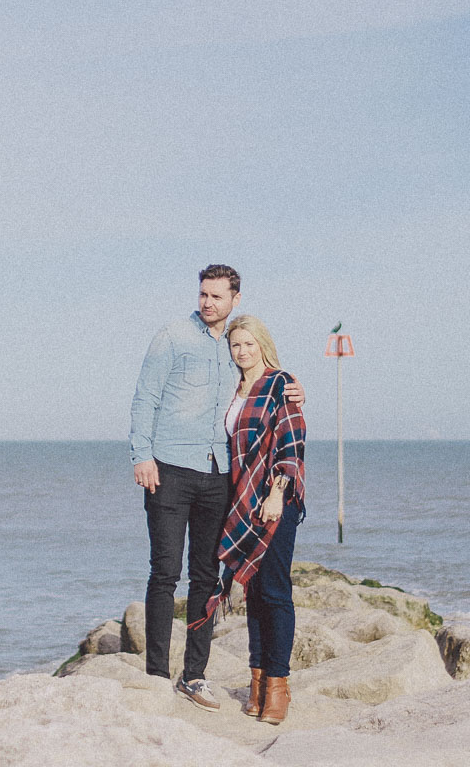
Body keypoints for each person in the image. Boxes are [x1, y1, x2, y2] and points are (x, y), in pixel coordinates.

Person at [128, 266, 303, 711]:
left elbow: (264, 383)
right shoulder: (171, 337)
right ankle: (154, 673)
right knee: (165, 572)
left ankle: (195, 676)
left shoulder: (236, 346)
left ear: (235, 299)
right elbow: (145, 396)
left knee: (207, 577)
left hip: (219, 477)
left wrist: (295, 389)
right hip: (168, 468)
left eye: (217, 296)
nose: (208, 303)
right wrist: (141, 455)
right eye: (203, 294)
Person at [190, 313, 306, 724]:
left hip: (274, 501)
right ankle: (256, 684)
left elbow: (292, 441)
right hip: (240, 502)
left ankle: (279, 685)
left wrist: (277, 493)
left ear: (262, 344)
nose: (241, 351)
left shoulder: (280, 383)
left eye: (248, 344)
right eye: (235, 345)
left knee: (275, 591)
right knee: (253, 595)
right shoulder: (233, 390)